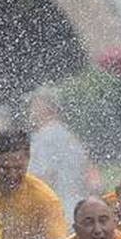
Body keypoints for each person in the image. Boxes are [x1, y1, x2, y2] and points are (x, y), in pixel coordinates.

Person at [27, 88, 90, 222]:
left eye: (34, 105)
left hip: (57, 210)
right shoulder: (69, 136)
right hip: (78, 206)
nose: (31, 110)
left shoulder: (46, 137)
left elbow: (45, 176)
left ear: (46, 108)